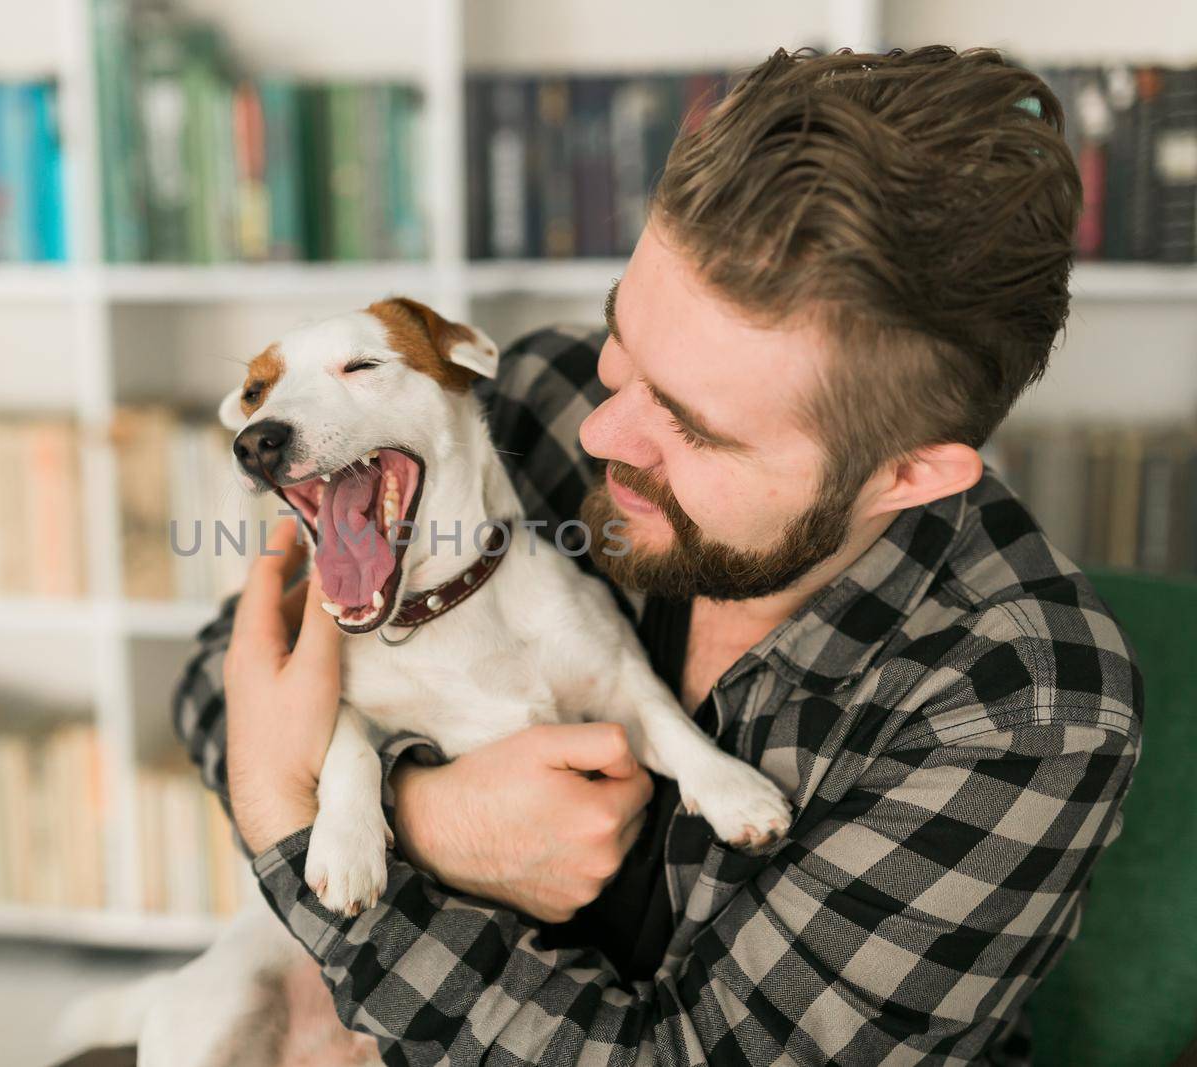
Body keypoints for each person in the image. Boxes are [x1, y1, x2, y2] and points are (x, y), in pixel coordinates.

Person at [175, 45, 1142, 1064]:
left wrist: (287, 814)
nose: (604, 434)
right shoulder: (538, 400)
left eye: (696, 427)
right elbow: (213, 676)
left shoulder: (1026, 704)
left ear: (906, 474)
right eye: (623, 341)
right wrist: (423, 818)